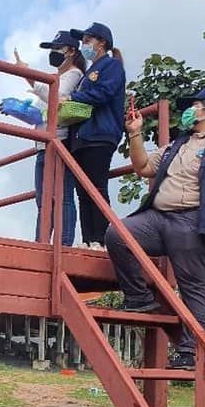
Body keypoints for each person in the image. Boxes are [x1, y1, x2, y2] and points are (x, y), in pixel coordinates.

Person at [105, 86, 205, 369]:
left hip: (195, 221)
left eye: (195, 105)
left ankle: (192, 353)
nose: (189, 110)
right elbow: (143, 166)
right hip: (158, 218)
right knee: (119, 234)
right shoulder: (177, 144)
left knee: (193, 286)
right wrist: (134, 133)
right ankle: (139, 297)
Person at [13, 31, 86, 246]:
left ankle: (62, 244)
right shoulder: (57, 77)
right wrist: (21, 110)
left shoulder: (74, 74)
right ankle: (42, 242)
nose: (53, 53)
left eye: (57, 48)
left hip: (59, 141)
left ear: (71, 51)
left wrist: (27, 74)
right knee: (43, 199)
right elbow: (44, 108)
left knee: (61, 196)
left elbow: (56, 97)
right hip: (44, 144)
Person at [65, 22, 126, 250]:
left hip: (101, 134)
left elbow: (103, 93)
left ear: (102, 43)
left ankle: (102, 239)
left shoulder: (111, 66)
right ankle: (89, 238)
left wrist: (73, 99)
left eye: (88, 40)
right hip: (82, 135)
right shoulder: (87, 73)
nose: (84, 45)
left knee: (96, 187)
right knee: (83, 190)